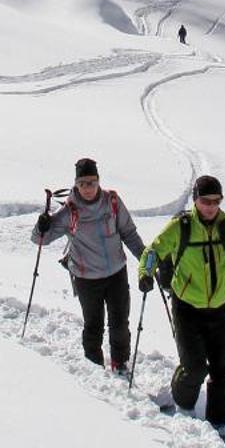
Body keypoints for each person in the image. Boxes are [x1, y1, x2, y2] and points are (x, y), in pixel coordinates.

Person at [139, 174, 225, 426]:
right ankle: (183, 406)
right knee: (194, 368)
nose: (211, 206)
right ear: (195, 200)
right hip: (186, 307)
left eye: (216, 201)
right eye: (205, 201)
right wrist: (146, 273)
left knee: (223, 369)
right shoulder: (182, 227)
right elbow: (154, 251)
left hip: (222, 307)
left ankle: (219, 424)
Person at [34, 158, 146, 372]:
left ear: (98, 182)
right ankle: (94, 368)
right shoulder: (69, 211)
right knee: (93, 325)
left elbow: (129, 233)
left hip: (116, 273)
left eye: (91, 182)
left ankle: (119, 363)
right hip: (87, 278)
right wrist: (42, 226)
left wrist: (146, 260)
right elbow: (41, 240)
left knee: (120, 323)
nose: (87, 188)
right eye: (83, 183)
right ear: (76, 184)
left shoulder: (112, 201)